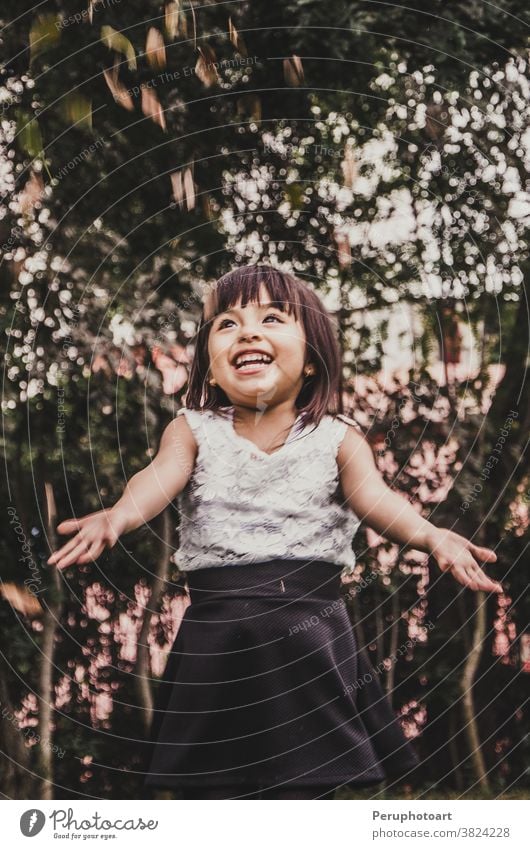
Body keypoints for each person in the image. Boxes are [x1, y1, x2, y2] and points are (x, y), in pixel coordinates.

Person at [47, 265, 502, 801]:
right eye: (227, 324)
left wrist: (432, 536)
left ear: (311, 360)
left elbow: (377, 500)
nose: (248, 331)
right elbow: (156, 478)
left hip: (309, 633)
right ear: (212, 371)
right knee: (213, 794)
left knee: (306, 793)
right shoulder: (192, 430)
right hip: (217, 635)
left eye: (271, 319)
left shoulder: (338, 439)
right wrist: (117, 516)